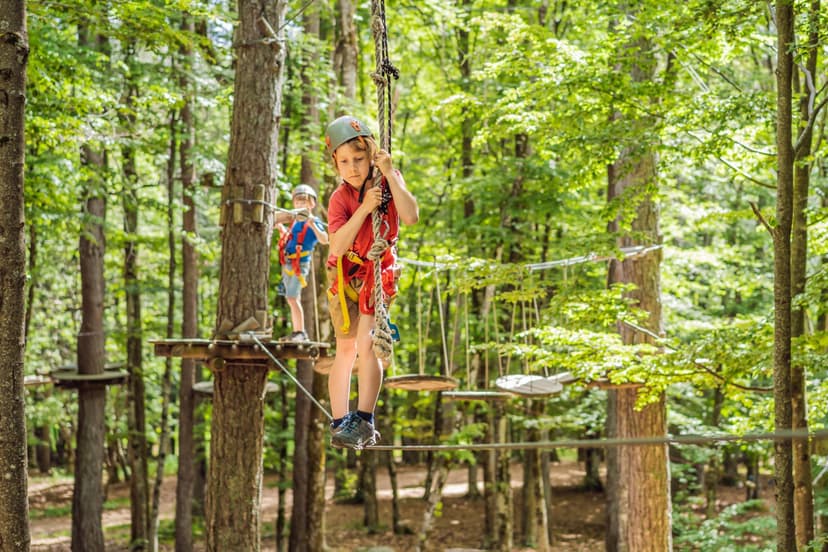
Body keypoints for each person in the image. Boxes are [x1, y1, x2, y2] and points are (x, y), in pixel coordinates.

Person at [324, 115, 418, 449]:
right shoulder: (340, 199)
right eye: (344, 161)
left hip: (379, 270)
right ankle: (340, 422)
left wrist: (391, 172)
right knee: (345, 349)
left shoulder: (387, 181)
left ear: (372, 155)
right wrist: (364, 209)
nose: (352, 168)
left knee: (366, 345)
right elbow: (337, 245)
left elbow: (410, 216)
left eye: (359, 159)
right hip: (345, 272)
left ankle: (364, 418)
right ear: (335, 163)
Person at [275, 184, 328, 342]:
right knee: (290, 299)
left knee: (292, 298)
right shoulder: (294, 221)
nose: (301, 205)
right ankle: (297, 331)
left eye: (304, 202)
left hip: (299, 264)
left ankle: (300, 333)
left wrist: (312, 224)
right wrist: (280, 228)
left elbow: (324, 239)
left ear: (312, 204)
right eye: (298, 202)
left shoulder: (312, 220)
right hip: (289, 263)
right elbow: (292, 239)